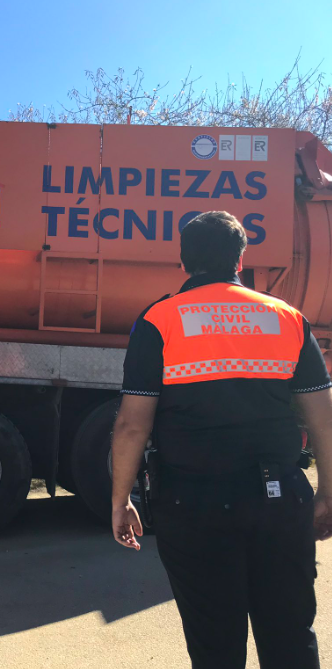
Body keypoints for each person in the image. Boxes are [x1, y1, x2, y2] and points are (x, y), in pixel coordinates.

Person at [111, 211, 332, 668]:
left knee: (215, 646)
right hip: (279, 500)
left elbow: (132, 425)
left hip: (193, 505)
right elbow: (325, 420)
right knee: (291, 638)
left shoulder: (159, 319)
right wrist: (328, 493)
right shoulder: (287, 318)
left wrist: (121, 499)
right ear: (240, 259)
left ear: (183, 260)